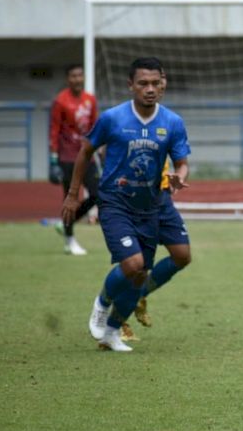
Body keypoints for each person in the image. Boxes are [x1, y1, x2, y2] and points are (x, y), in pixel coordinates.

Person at [62, 57, 193, 352]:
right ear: (130, 85)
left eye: (155, 83)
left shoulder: (171, 122)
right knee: (133, 264)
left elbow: (182, 163)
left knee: (142, 272)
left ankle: (111, 332)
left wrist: (178, 176)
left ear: (164, 84)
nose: (150, 89)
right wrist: (73, 195)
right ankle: (102, 302)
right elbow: (85, 152)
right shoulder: (112, 118)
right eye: (143, 83)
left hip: (152, 203)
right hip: (116, 201)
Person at [48, 63, 98, 255]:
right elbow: (54, 130)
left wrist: (100, 149)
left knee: (98, 194)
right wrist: (53, 160)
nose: (77, 79)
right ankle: (70, 241)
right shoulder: (61, 101)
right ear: (68, 79)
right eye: (73, 76)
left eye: (80, 75)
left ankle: (66, 223)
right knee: (70, 198)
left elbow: (95, 126)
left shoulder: (90, 100)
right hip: (67, 157)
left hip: (86, 155)